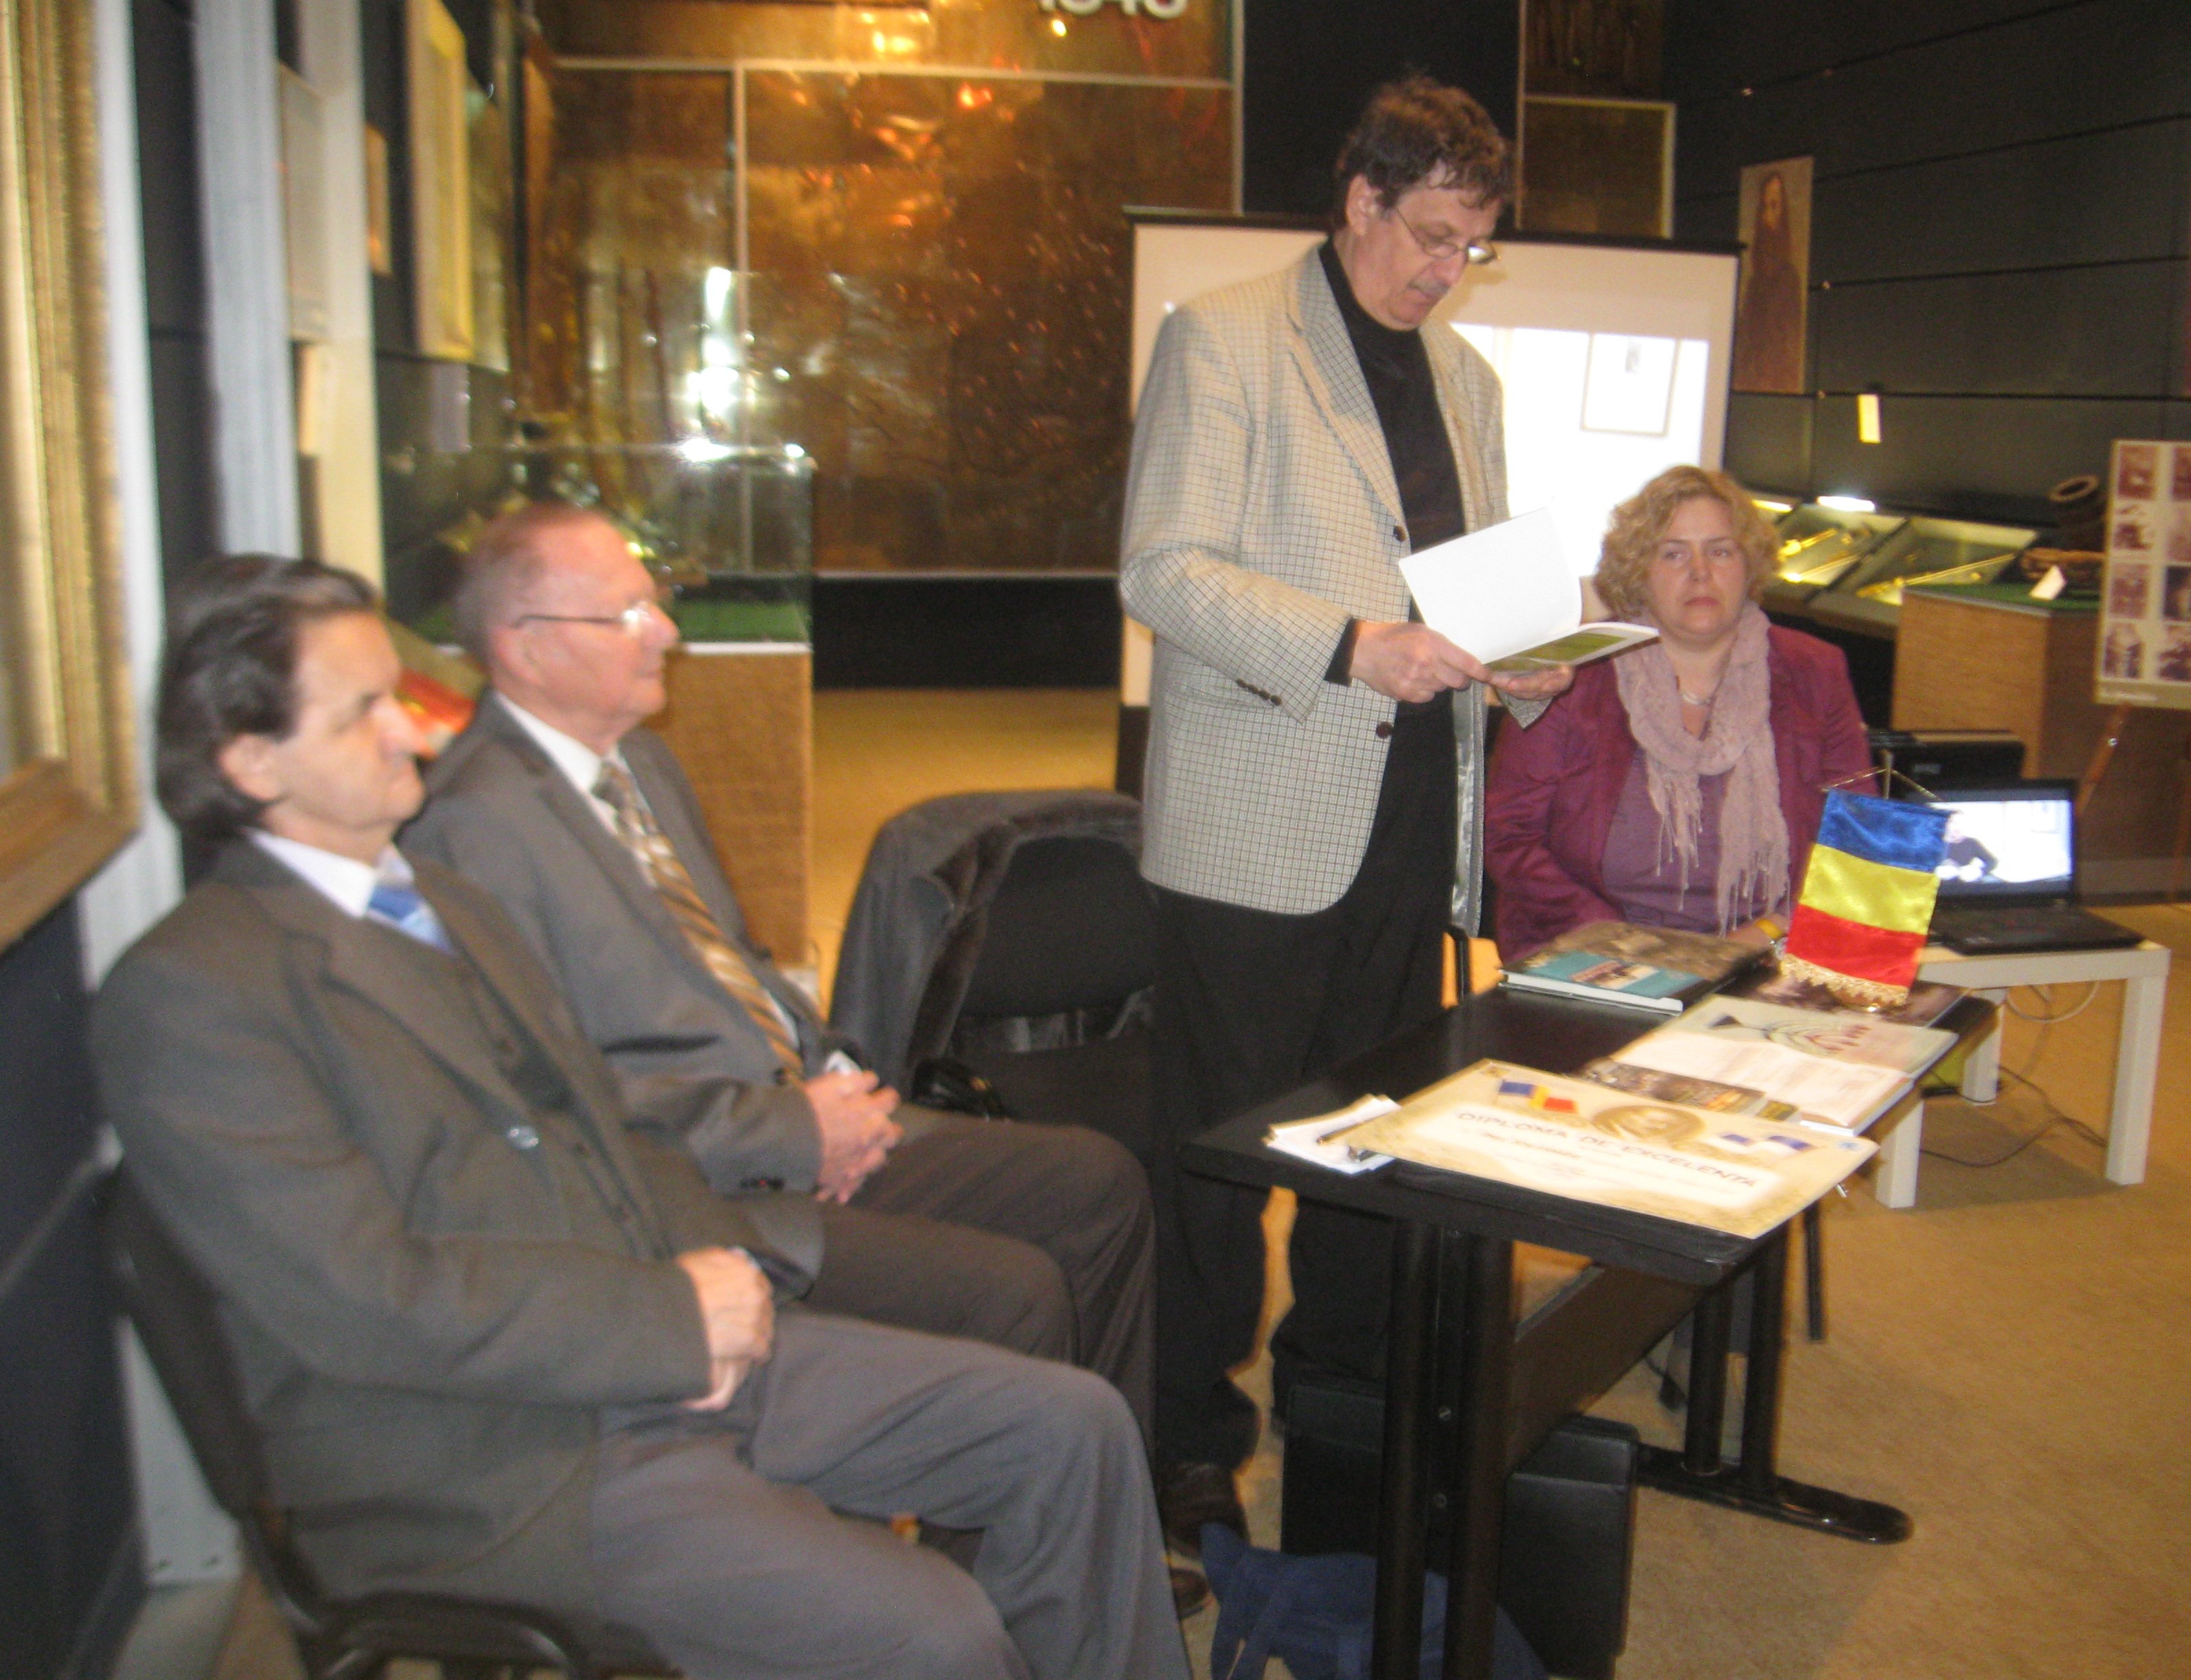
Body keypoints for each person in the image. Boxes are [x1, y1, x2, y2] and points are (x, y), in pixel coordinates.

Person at [95, 555, 1187, 1680]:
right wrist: (670, 1320)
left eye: (402, 695)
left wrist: (724, 1274)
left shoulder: (440, 903)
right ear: (249, 760)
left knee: (1070, 1425)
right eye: (361, 710)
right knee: (933, 1632)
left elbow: (605, 1137)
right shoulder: (193, 991)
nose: (412, 730)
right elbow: (367, 1297)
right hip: (489, 1458)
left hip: (646, 1357)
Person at [404, 505, 1159, 1441]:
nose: (667, 633)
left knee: (1099, 1182)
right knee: (1014, 1291)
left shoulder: (638, 760)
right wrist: (792, 1134)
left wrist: (835, 1076)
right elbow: (551, 1096)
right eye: (627, 614)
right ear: (524, 647)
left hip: (793, 1113)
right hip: (699, 1189)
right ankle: (1024, 1510)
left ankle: (1116, 1479)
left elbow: (735, 962)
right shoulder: (472, 828)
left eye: (657, 600)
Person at [1117, 75, 1572, 1528]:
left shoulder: (1468, 381)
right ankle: (1184, 1436)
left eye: (1471, 248)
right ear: (1359, 199)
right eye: (1431, 236)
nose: (1448, 272)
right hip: (1259, 818)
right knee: (1217, 1155)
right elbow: (1163, 568)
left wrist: (1526, 658)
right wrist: (1350, 645)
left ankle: (1342, 1412)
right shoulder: (1227, 337)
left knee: (1375, 1136)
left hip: (1415, 816)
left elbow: (1473, 585)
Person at [1485, 465, 1870, 959]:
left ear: (1749, 565)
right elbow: (1509, 836)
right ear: (1638, 573)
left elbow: (1861, 835)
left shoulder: (1814, 670)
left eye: (1720, 551)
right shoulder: (1571, 673)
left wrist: (1769, 933)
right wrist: (1625, 944)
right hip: (1594, 955)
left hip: (1769, 953)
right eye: (1673, 553)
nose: (1700, 572)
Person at [1732, 168, 1805, 393]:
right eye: (1765, 207)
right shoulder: (1754, 281)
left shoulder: (1790, 279)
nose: (1769, 216)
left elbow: (1789, 346)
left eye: (1774, 206)